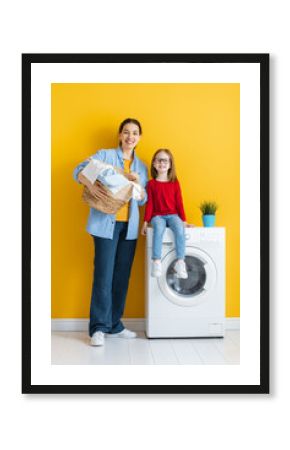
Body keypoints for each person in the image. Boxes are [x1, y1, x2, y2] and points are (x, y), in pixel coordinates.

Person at [74, 118, 148, 346]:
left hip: (129, 229)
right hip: (105, 225)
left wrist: (139, 186)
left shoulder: (141, 167)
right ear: (119, 135)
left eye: (135, 133)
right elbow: (78, 170)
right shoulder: (105, 155)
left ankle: (115, 324)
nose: (130, 137)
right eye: (126, 132)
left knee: (121, 278)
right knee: (103, 276)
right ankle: (98, 328)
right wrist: (93, 182)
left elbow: (143, 199)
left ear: (139, 138)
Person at [141, 148, 191, 278]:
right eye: (159, 160)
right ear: (154, 163)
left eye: (165, 160)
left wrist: (184, 220)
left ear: (170, 164)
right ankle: (156, 261)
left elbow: (179, 202)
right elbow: (150, 204)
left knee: (179, 229)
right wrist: (145, 222)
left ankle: (180, 262)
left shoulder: (174, 182)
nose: (162, 163)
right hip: (158, 216)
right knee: (158, 228)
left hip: (173, 215)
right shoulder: (151, 184)